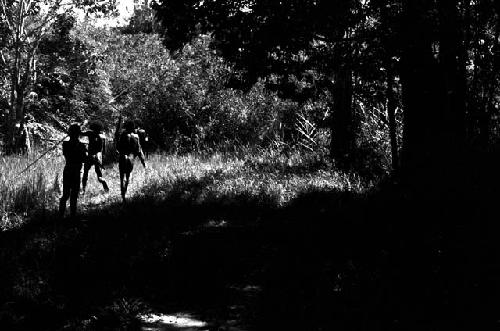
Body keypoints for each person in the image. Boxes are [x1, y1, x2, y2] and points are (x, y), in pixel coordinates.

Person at [59, 123, 87, 218]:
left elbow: (71, 156)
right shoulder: (81, 146)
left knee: (66, 195)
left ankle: (61, 216)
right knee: (73, 195)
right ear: (78, 133)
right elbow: (83, 159)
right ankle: (72, 217)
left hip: (67, 171)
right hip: (75, 172)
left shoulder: (65, 144)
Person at [117, 120, 146, 202]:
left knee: (121, 177)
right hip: (131, 157)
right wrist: (143, 162)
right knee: (128, 177)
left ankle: (122, 196)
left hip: (122, 156)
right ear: (133, 127)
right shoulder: (136, 136)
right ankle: (125, 194)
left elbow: (118, 147)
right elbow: (139, 150)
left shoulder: (122, 135)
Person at [81, 121, 109, 193]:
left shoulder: (90, 133)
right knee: (99, 174)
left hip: (90, 155)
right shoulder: (103, 136)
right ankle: (104, 183)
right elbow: (104, 150)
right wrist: (103, 159)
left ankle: (83, 190)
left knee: (85, 173)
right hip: (98, 156)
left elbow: (80, 133)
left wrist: (81, 125)